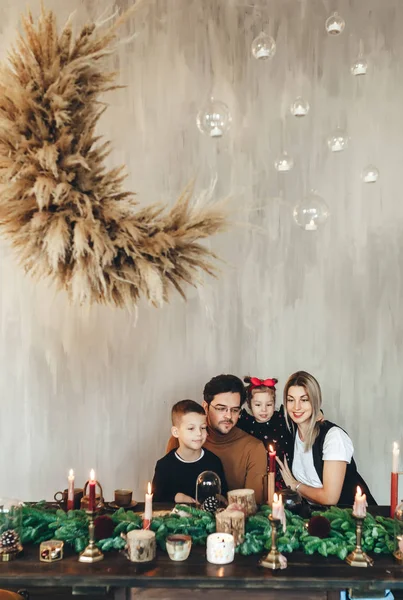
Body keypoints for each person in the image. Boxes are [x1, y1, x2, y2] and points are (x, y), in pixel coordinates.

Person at [276, 371, 376, 506]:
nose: (296, 407)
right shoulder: (290, 432)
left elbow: (330, 498)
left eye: (304, 400)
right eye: (291, 400)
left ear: (315, 401)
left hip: (352, 518)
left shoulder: (334, 437)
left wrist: (296, 485)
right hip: (316, 518)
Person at [166, 374, 267, 504]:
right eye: (221, 409)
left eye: (235, 410)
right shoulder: (182, 440)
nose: (228, 416)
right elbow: (165, 496)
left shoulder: (254, 448)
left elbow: (253, 505)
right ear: (205, 407)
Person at [152, 399, 227, 503]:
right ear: (176, 432)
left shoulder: (214, 461)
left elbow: (223, 497)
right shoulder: (164, 466)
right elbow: (156, 500)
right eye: (191, 428)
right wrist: (178, 497)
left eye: (203, 428)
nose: (199, 433)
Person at [237, 376, 293, 490]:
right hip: (255, 476)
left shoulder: (282, 419)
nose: (264, 410)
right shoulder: (244, 424)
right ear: (249, 404)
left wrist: (319, 414)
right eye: (258, 405)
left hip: (281, 476)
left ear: (274, 403)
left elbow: (302, 416)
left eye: (269, 405)